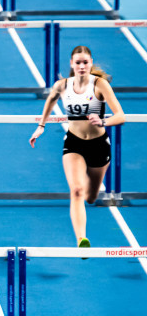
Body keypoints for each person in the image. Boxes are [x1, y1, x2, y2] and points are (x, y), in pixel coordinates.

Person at [30, 46, 125, 248]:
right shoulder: (62, 85)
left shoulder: (100, 85)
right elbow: (50, 100)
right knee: (76, 190)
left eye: (85, 62)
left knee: (90, 197)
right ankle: (81, 238)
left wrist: (103, 122)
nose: (81, 66)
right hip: (74, 142)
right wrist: (41, 126)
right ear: (72, 64)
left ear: (91, 63)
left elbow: (121, 115)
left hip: (99, 145)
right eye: (78, 62)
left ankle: (93, 190)